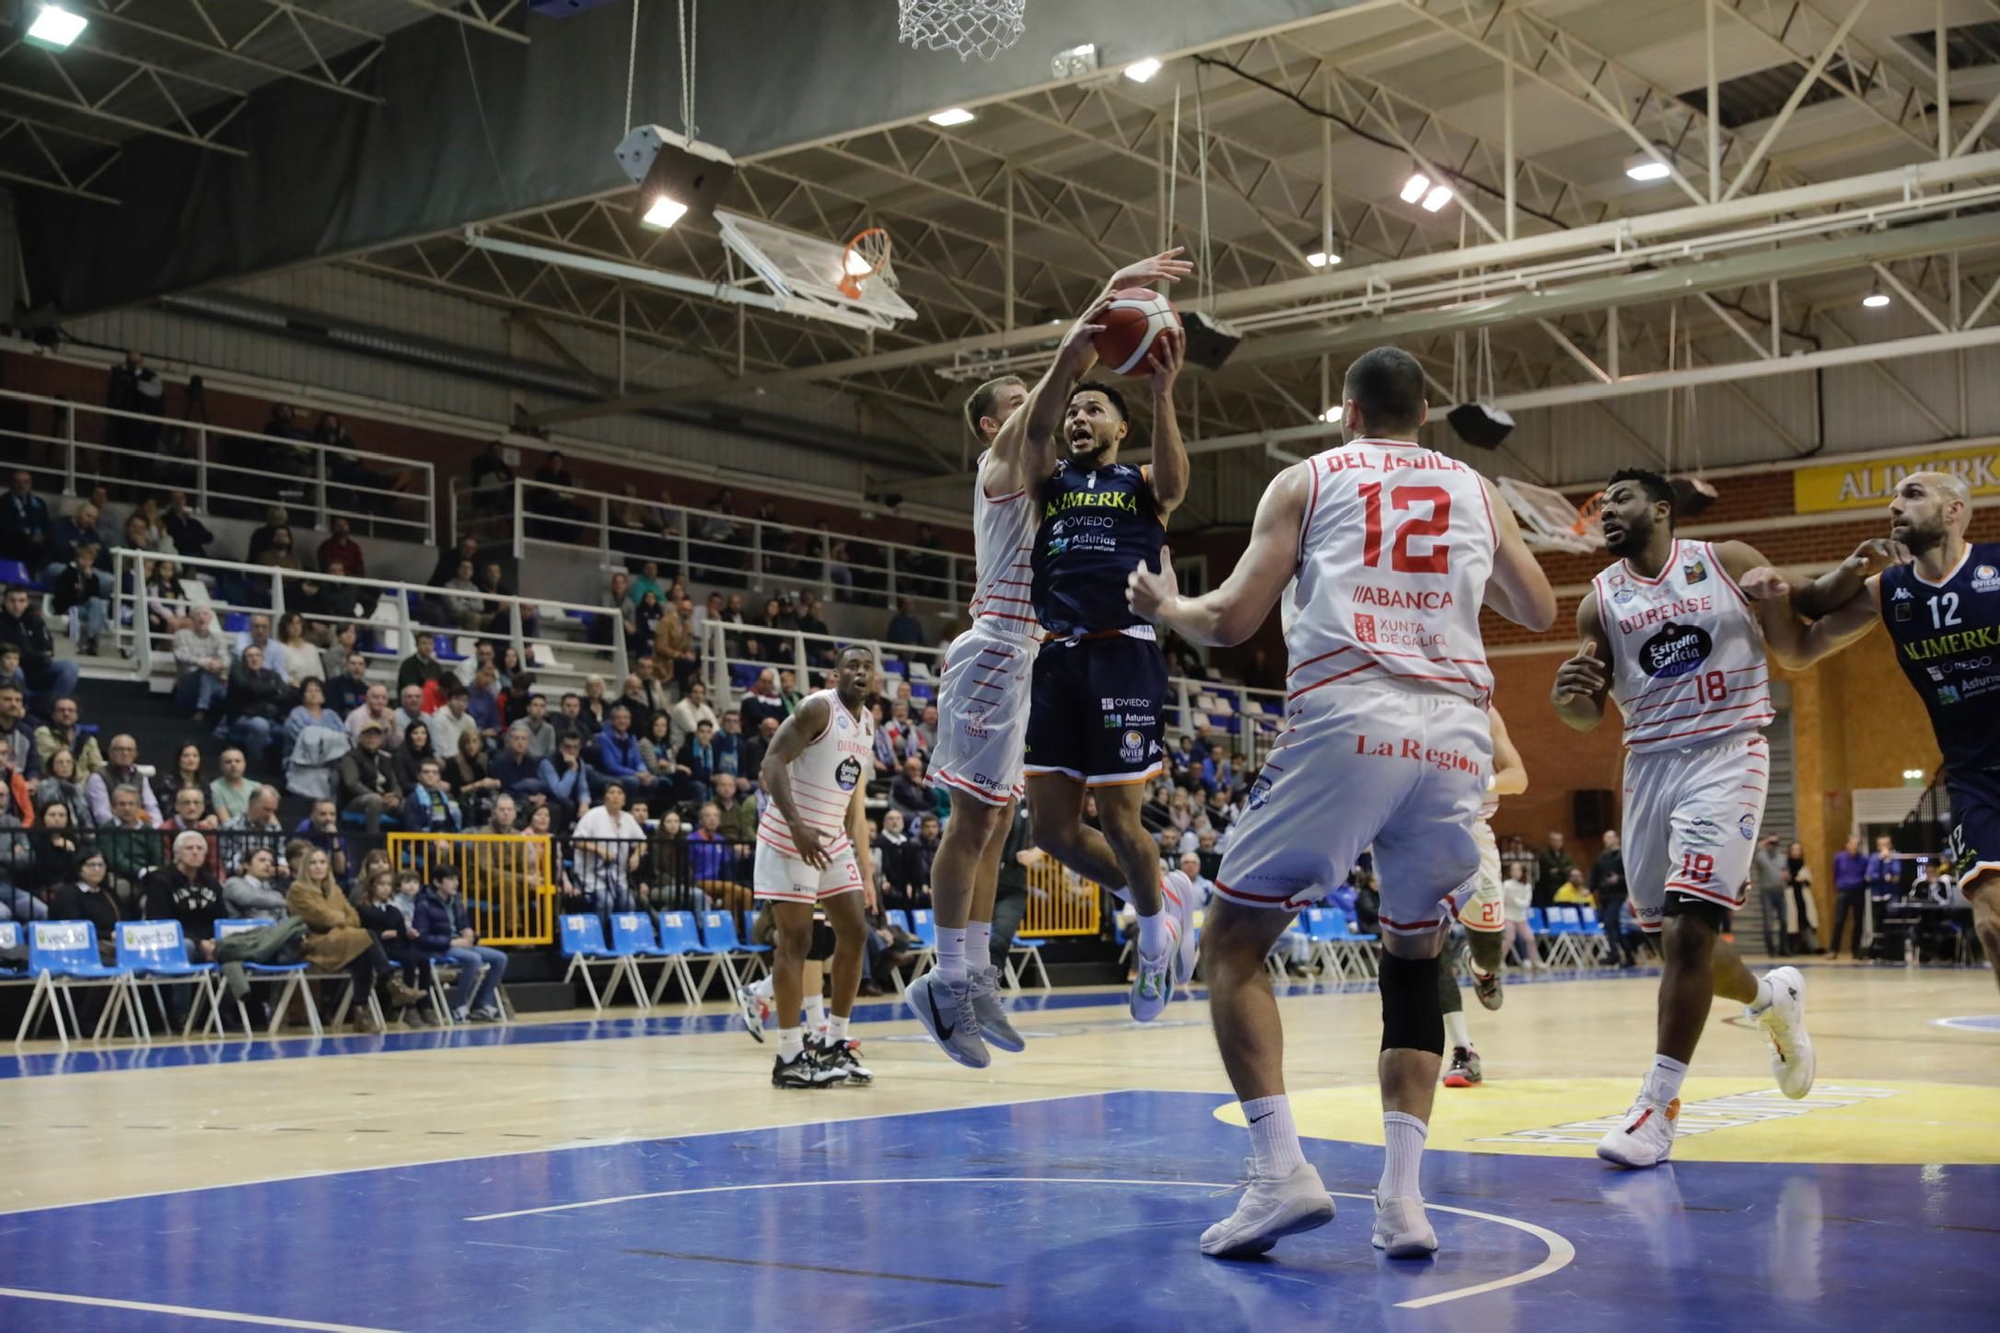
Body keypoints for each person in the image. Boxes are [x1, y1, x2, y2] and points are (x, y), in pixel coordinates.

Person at [1125, 344, 1557, 1259]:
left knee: (1232, 943)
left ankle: (1282, 1170)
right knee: (1414, 958)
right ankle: (1403, 1203)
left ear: (1347, 411)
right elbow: (1539, 609)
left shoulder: (1309, 480)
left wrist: (1165, 604)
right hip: (1451, 734)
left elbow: (1233, 619)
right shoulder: (1477, 490)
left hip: (1349, 713)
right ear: (1427, 412)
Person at [1551, 466, 1883, 1168]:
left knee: (1687, 931)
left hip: (1728, 750)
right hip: (1648, 766)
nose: (1607, 511)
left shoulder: (1722, 560)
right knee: (1670, 940)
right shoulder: (1598, 603)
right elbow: (1584, 712)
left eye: (1621, 498)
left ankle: (1657, 1105)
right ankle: (1773, 996)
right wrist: (1567, 699)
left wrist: (1851, 567)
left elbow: (1809, 603)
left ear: (1663, 508)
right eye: (1603, 503)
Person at [1771, 471, 2000, 990]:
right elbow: (1798, 652)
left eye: (1913, 494)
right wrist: (1768, 596)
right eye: (1894, 496)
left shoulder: (1995, 567)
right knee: (1991, 920)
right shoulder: (1886, 590)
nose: (1894, 505)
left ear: (1954, 511)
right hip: (1973, 778)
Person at [755, 645, 879, 1089]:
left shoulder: (868, 722)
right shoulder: (816, 709)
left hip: (830, 838)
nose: (860, 672)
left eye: (867, 667)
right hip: (791, 836)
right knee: (797, 940)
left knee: (854, 931)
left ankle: (834, 1043)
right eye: (852, 666)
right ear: (836, 673)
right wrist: (797, 825)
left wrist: (847, 846)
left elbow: (845, 787)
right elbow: (771, 763)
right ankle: (789, 1056)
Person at [286, 847, 422, 1034]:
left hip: (342, 940)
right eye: (313, 863)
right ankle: (391, 982)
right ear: (305, 867)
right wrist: (340, 919)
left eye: (322, 862)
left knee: (363, 956)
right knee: (367, 936)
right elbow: (318, 916)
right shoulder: (297, 889)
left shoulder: (335, 890)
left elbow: (354, 917)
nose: (318, 867)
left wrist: (339, 919)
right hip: (315, 943)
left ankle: (360, 1012)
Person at [413, 867, 508, 1022]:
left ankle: (481, 1003)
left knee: (500, 958)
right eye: (450, 879)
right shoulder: (424, 904)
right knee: (474, 959)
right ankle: (458, 1006)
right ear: (437, 882)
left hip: (461, 944)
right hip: (440, 948)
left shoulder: (457, 901)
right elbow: (422, 938)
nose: (455, 883)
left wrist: (470, 933)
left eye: (456, 879)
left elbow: (464, 925)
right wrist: (450, 942)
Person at [1, 583, 78, 714]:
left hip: (38, 667)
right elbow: (7, 652)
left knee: (70, 667)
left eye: (21, 601)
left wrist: (33, 656)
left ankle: (52, 709)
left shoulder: (36, 620)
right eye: (12, 600)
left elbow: (48, 648)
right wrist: (32, 655)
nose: (17, 605)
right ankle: (21, 709)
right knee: (16, 669)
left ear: (27, 602)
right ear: (4, 601)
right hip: (12, 668)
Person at [172, 605, 233, 722]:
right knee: (206, 672)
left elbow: (226, 659)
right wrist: (204, 662)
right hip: (189, 683)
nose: (202, 617)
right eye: (198, 614)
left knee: (230, 686)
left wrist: (218, 664)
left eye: (205, 614)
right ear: (192, 619)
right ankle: (202, 709)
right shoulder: (182, 635)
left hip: (214, 683)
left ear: (210, 618)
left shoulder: (217, 638)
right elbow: (180, 655)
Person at [1591, 830, 1635, 966]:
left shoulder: (1623, 857)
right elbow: (1595, 876)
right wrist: (1590, 889)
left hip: (1619, 895)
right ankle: (1628, 955)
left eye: (1609, 838)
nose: (1606, 841)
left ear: (1617, 839)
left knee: (1610, 921)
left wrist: (1619, 879)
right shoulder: (1602, 858)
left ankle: (1614, 953)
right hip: (1605, 896)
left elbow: (1630, 875)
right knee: (1611, 925)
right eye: (1605, 838)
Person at [1829, 834, 1869, 959]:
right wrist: (1839, 885)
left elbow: (1866, 876)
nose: (1854, 846)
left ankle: (1855, 950)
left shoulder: (1863, 859)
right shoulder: (1839, 858)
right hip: (1843, 891)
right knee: (1839, 920)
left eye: (1857, 844)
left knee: (1858, 922)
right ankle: (1833, 949)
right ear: (1847, 845)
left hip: (1858, 891)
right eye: (1852, 843)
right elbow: (1835, 874)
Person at [1751, 834, 1791, 957]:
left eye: (1775, 843)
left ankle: (1783, 949)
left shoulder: (1782, 858)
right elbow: (1751, 852)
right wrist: (1763, 843)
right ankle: (1771, 950)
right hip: (1767, 892)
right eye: (1771, 843)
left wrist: (1786, 876)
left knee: (1784, 921)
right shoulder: (1761, 856)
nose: (1773, 846)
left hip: (1780, 891)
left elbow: (1786, 872)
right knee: (1768, 922)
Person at [224, 846, 290, 920]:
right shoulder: (233, 883)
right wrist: (285, 902)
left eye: (271, 862)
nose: (268, 864)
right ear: (246, 865)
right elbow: (248, 899)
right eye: (262, 860)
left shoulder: (275, 894)